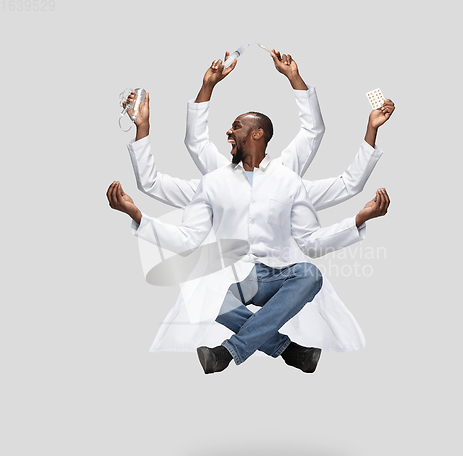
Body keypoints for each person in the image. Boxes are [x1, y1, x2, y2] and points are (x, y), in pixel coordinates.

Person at [108, 56, 391, 373]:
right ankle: (289, 350)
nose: (228, 132)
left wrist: (368, 135)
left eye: (237, 127)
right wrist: (138, 210)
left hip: (277, 276)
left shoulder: (288, 179)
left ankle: (227, 353)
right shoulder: (214, 182)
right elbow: (163, 176)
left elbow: (328, 156)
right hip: (230, 279)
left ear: (258, 134)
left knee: (310, 275)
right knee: (197, 289)